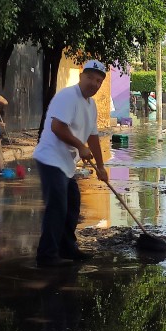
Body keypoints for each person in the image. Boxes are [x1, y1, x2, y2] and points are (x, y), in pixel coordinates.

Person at [33, 60, 109, 267]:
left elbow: (93, 136)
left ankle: (67, 248)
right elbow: (57, 127)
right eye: (91, 77)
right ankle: (47, 256)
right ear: (81, 76)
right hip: (50, 158)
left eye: (99, 80)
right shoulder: (67, 96)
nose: (94, 83)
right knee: (57, 206)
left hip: (65, 163)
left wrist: (101, 166)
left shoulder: (91, 105)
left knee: (72, 204)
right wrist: (79, 145)